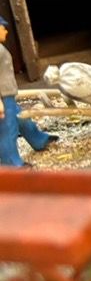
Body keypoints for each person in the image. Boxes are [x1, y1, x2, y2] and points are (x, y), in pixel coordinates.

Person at [0, 16, 58, 167]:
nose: (6, 31)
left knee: (21, 118)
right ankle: (11, 163)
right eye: (2, 28)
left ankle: (38, 139)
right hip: (2, 96)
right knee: (8, 128)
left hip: (7, 94)